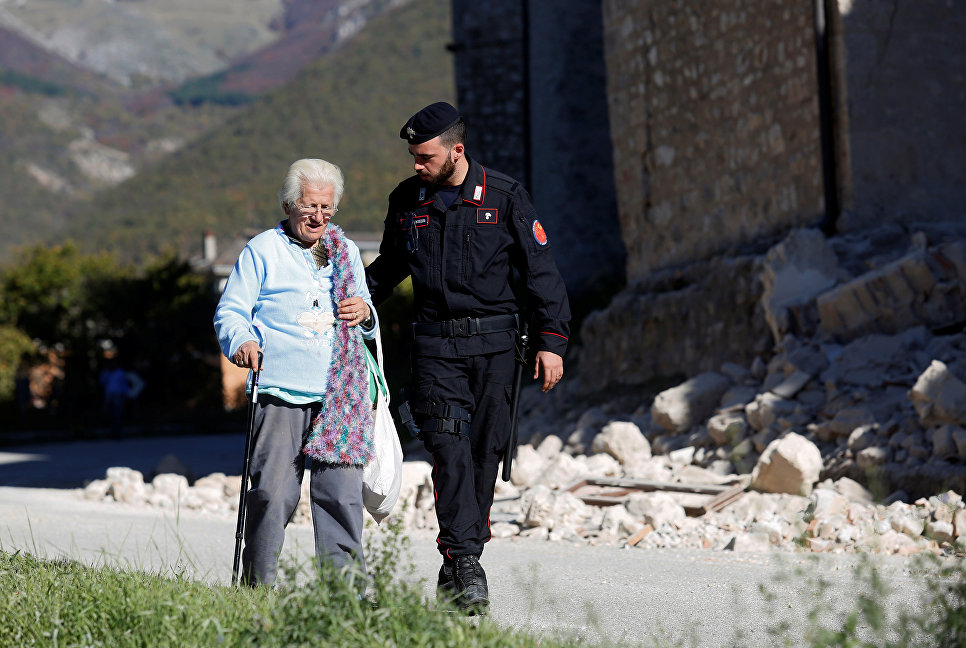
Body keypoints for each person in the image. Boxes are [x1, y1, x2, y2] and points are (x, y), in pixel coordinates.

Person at [366, 102, 571, 611]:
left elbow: (540, 270)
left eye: (425, 156)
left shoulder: (503, 197)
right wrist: (351, 297)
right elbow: (389, 267)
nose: (417, 164)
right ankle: (465, 559)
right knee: (449, 450)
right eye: (413, 156)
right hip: (435, 348)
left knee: (484, 454)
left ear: (457, 150)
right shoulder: (407, 200)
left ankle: (458, 561)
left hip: (497, 348)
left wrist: (552, 341)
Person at [214, 158, 378, 588]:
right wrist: (243, 342)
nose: (319, 217)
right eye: (310, 207)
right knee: (272, 494)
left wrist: (363, 311)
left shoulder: (345, 252)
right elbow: (231, 311)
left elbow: (367, 312)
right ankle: (257, 589)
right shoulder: (263, 249)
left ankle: (345, 601)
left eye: (327, 209)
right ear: (289, 204)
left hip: (340, 399)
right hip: (279, 391)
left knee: (341, 499)